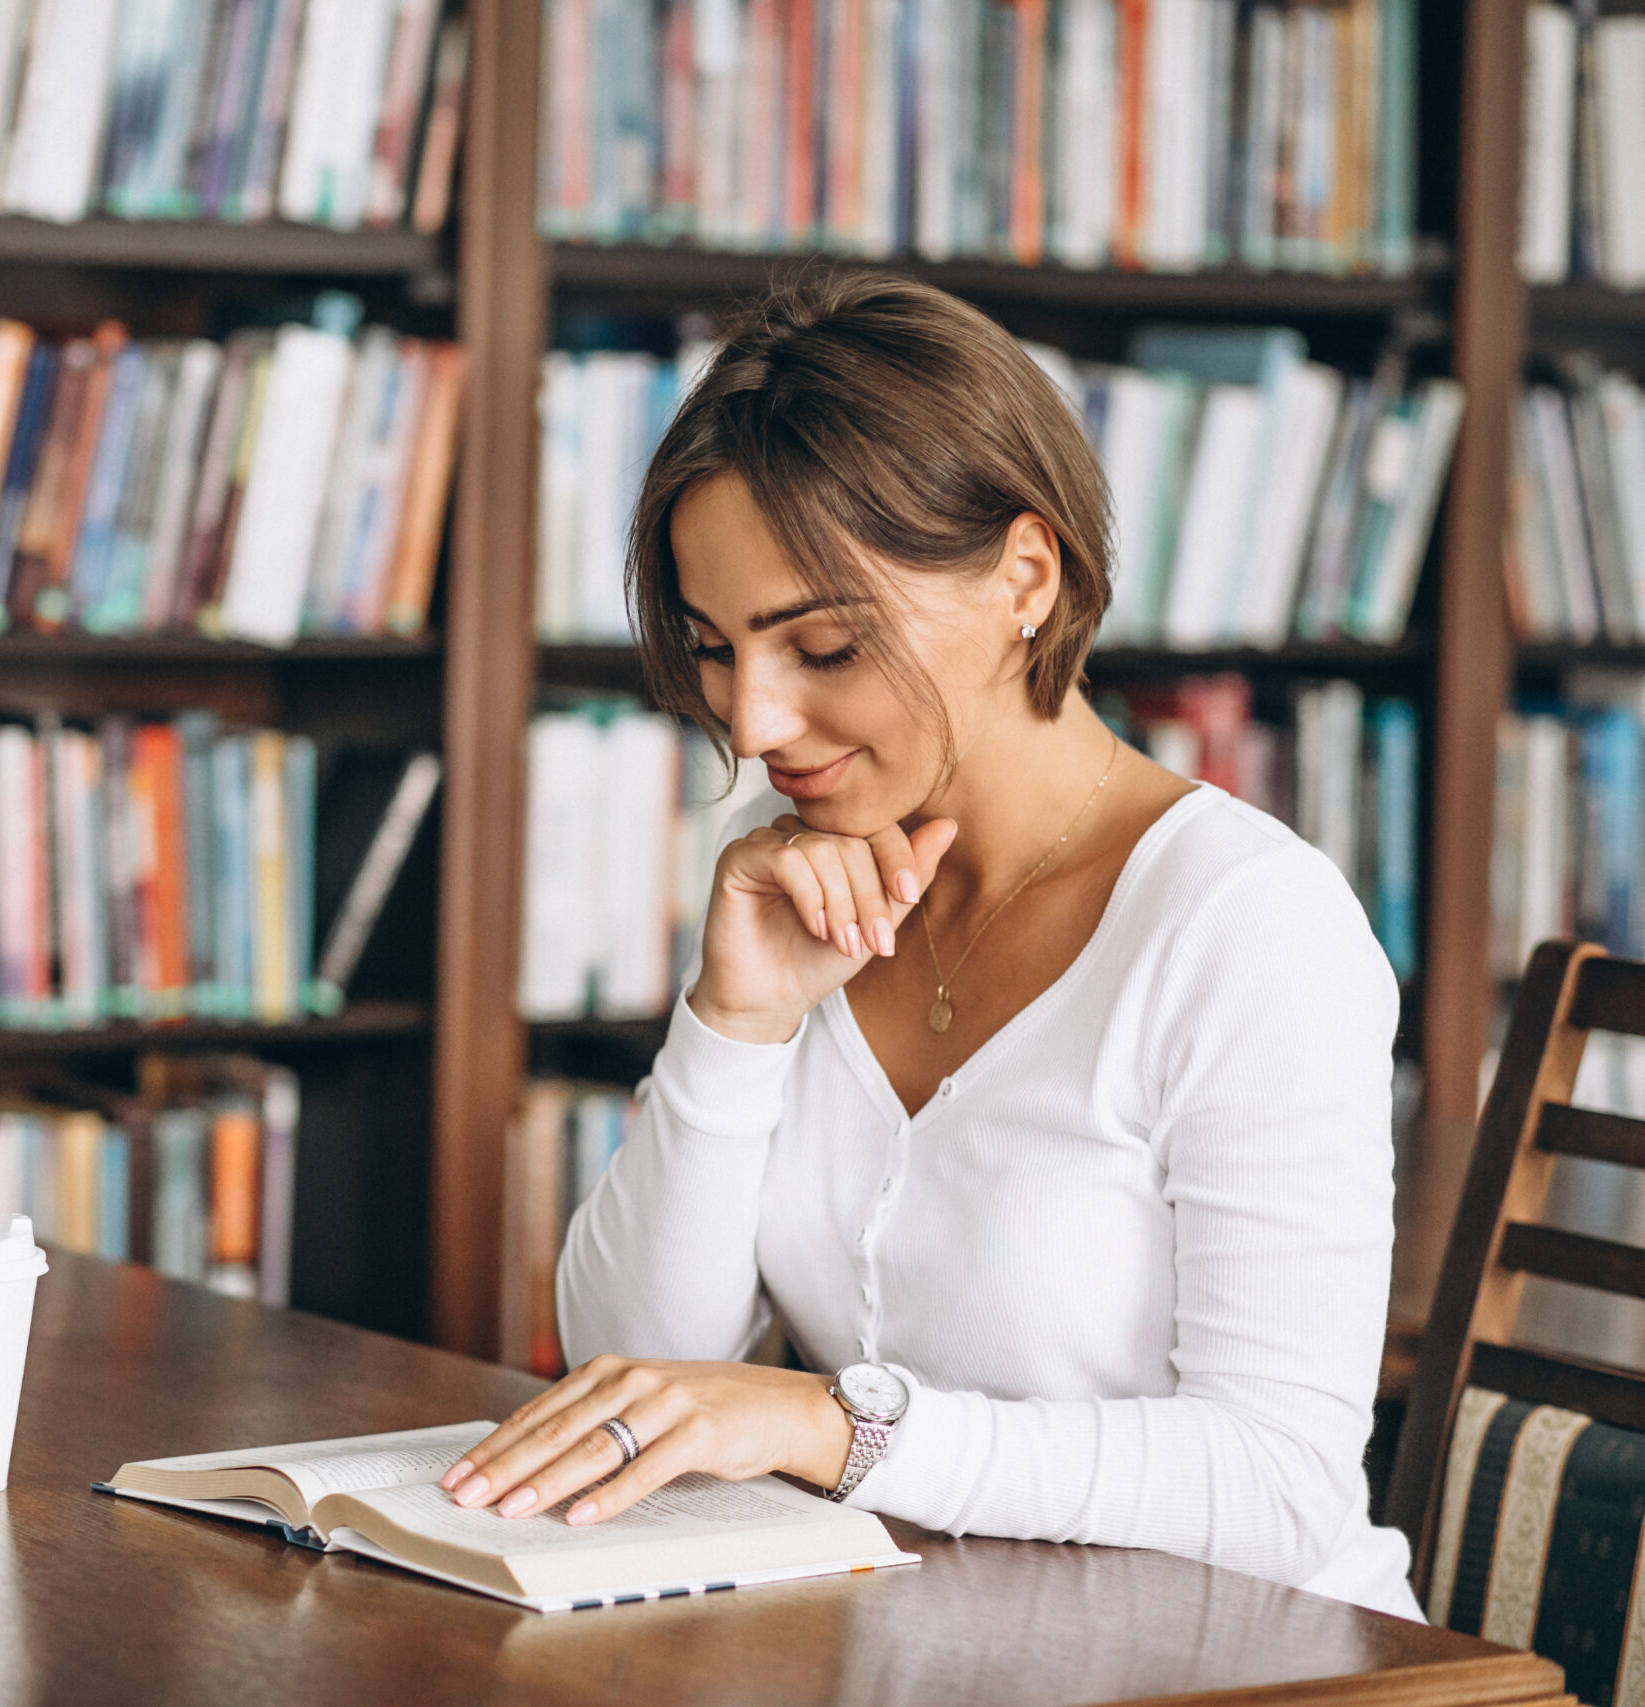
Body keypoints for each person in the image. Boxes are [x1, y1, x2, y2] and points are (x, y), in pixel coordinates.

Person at [439, 271, 1420, 1619]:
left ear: (1026, 575)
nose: (758, 723)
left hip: (1254, 1668)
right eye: (715, 650)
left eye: (825, 647)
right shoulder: (827, 885)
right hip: (930, 1643)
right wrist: (735, 1022)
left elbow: (1276, 1486)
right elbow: (641, 1373)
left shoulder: (1250, 928)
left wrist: (835, 1426)